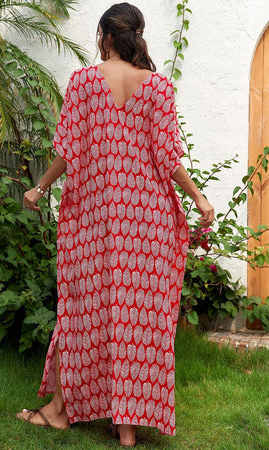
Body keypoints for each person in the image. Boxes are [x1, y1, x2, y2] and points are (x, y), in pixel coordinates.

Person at [16, 2, 214, 447]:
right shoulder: (159, 88)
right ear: (137, 36)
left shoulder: (84, 83)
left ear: (105, 34)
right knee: (138, 320)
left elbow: (69, 151)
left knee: (83, 311)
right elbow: (169, 159)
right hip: (147, 225)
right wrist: (199, 196)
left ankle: (62, 412)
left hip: (95, 220)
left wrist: (39, 188)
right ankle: (125, 428)